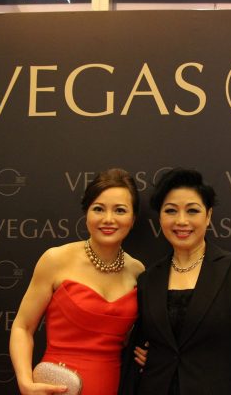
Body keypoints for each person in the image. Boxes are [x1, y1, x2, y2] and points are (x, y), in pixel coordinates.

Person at [126, 168, 231, 395]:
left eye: (192, 210)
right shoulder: (148, 279)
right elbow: (144, 343)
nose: (181, 221)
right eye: (171, 211)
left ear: (208, 215)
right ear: (161, 217)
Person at [10, 168, 145, 395]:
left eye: (120, 210)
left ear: (132, 219)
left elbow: (137, 338)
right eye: (98, 209)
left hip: (115, 386)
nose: (108, 219)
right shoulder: (55, 260)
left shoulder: (138, 271)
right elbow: (23, 327)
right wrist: (25, 383)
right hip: (58, 388)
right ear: (86, 214)